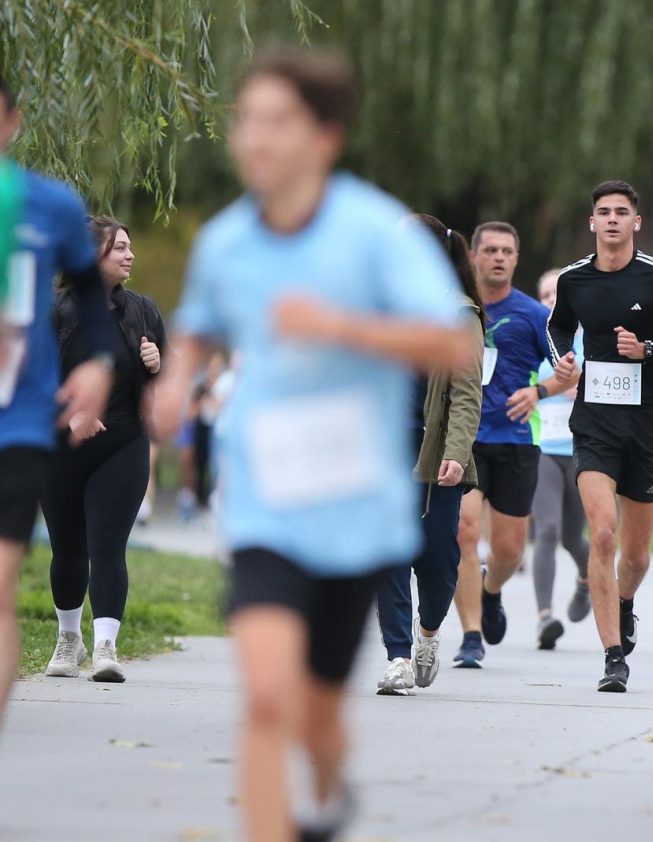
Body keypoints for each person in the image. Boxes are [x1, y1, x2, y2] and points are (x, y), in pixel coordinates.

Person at [148, 46, 466, 841]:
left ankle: (325, 784)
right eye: (246, 121)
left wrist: (342, 326)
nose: (254, 139)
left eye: (276, 122)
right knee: (263, 695)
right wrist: (173, 380)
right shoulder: (227, 240)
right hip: (266, 500)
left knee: (320, 711)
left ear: (325, 136)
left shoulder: (376, 233)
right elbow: (200, 325)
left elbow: (456, 346)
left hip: (357, 508)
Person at [547, 179, 653, 692]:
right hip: (594, 420)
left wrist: (650, 352)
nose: (612, 219)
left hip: (646, 421)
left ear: (636, 222)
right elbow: (555, 329)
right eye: (603, 212)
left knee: (635, 557)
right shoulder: (574, 280)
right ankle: (613, 656)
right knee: (603, 533)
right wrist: (563, 362)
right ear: (591, 222)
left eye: (621, 212)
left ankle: (624, 601)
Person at [0, 73, 113, 727]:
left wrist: (98, 363)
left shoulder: (51, 206)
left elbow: (93, 295)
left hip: (16, 420)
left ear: (12, 123)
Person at [41, 216, 166, 682]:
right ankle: (68, 639)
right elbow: (32, 376)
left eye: (130, 247)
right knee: (67, 549)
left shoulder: (142, 310)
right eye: (120, 248)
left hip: (123, 442)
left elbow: (165, 381)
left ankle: (106, 647)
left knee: (109, 545)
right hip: (61, 444)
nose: (130, 255)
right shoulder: (54, 309)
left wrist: (156, 364)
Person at [451, 221, 575, 667]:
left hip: (517, 440)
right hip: (464, 439)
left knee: (507, 549)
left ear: (516, 259)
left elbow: (570, 371)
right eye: (490, 250)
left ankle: (491, 591)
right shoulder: (453, 309)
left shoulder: (534, 315)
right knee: (465, 530)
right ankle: (469, 638)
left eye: (507, 251)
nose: (499, 257)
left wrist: (537, 392)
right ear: (475, 257)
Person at [375, 215, 484, 695]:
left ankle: (428, 634)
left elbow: (467, 394)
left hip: (436, 454)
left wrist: (458, 453)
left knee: (439, 561)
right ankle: (397, 656)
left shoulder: (460, 315)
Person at [530, 269, 590, 650]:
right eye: (546, 293)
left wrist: (581, 387)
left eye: (559, 293)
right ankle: (544, 618)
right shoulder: (534, 337)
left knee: (573, 537)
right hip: (543, 449)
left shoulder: (590, 338)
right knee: (547, 530)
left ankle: (585, 580)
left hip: (584, 451)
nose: (553, 299)